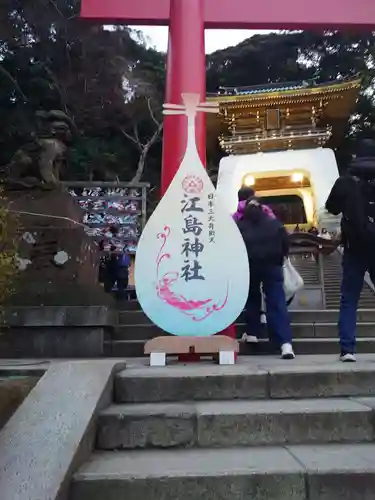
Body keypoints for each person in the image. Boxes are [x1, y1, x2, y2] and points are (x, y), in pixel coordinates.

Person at [325, 140, 375, 362]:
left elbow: (331, 207)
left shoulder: (345, 181)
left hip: (354, 246)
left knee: (349, 299)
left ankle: (348, 349)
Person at [237, 198, 295, 359]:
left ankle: (252, 332)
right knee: (277, 302)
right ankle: (284, 343)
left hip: (250, 267)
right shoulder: (274, 224)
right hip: (273, 267)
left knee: (252, 299)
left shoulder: (240, 227)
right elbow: (285, 245)